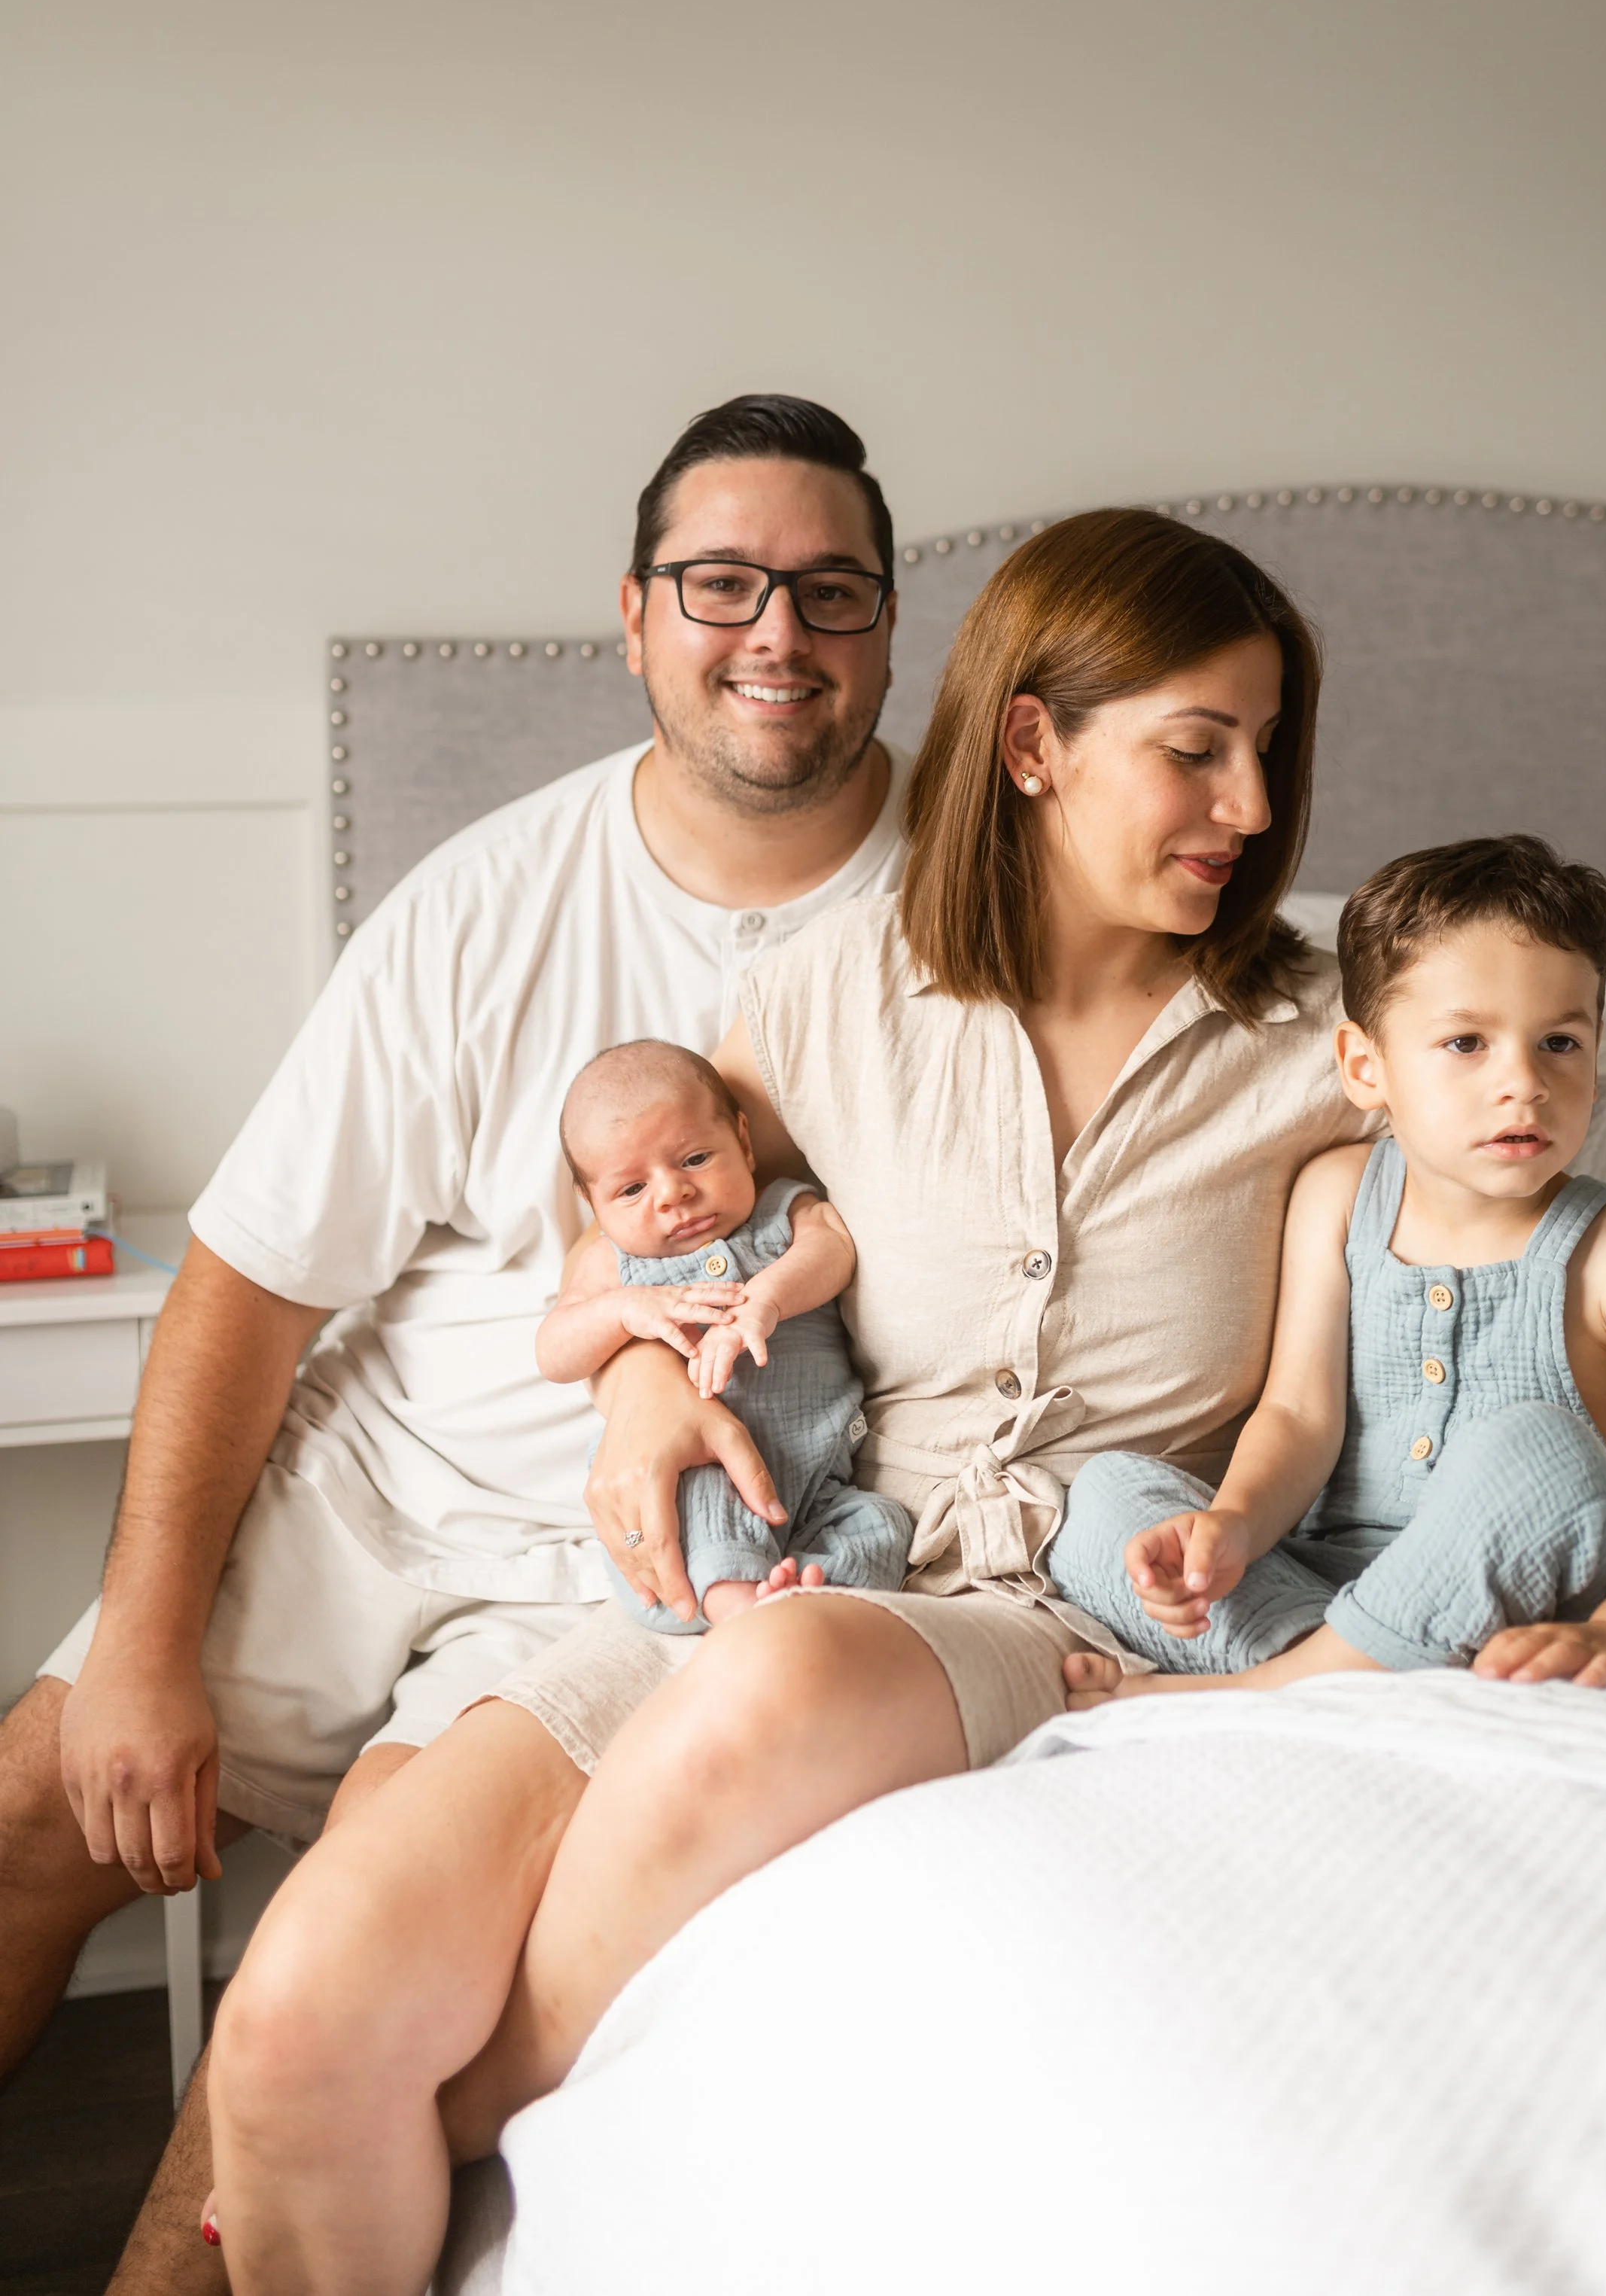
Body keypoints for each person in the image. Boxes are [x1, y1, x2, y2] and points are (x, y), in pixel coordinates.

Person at [205, 503, 1369, 2294]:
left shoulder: (1324, 1043)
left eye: (1267, 750)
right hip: (748, 1557)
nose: (1249, 807)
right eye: (1195, 749)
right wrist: (644, 1396)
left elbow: (1512, 1261)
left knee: (784, 1673)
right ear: (1037, 743)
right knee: (288, 2018)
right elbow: (627, 1247)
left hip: (1012, 1597)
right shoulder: (831, 992)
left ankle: (461, 2104)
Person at [0, 392, 907, 2294]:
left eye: (832, 590)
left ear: (890, 627)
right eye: (724, 581)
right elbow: (251, 1281)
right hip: (374, 1481)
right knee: (26, 1800)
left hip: (623, 1562)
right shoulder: (492, 895)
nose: (779, 633)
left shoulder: (961, 909)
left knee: (318, 1983)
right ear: (636, 612)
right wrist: (145, 1651)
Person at [1049, 834, 1606, 1705]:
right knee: (1103, 1496)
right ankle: (1339, 1670)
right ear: (1363, 1066)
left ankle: (1270, 1692)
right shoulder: (1337, 1196)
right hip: (1321, 1583)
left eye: (1560, 1043)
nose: (1522, 1084)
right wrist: (1230, 1525)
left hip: (1516, 1585)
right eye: (1465, 1043)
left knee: (1547, 1449)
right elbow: (1299, 1416)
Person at [543, 1039, 911, 1625]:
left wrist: (767, 1298)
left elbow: (833, 1249)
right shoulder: (612, 1267)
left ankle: (811, 1600)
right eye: (632, 1189)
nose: (673, 1194)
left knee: (884, 1527)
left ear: (742, 1139)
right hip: (689, 1489)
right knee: (703, 1493)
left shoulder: (784, 1212)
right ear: (591, 1204)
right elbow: (553, 1351)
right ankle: (739, 1612)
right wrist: (620, 1312)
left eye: (694, 1159)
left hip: (822, 1484)